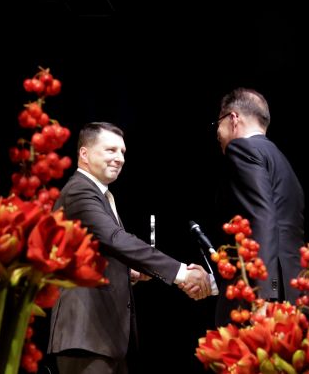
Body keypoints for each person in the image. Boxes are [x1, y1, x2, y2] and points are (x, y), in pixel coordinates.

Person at [47, 122, 212, 374]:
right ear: (84, 154)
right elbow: (115, 239)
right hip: (84, 335)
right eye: (111, 150)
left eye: (122, 152)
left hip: (103, 339)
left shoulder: (100, 195)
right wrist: (181, 273)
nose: (120, 158)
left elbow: (98, 251)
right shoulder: (79, 191)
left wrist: (129, 272)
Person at [212, 87, 305, 326]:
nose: (217, 132)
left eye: (218, 123)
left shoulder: (241, 149)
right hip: (295, 289)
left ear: (233, 118)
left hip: (263, 296)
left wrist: (264, 294)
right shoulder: (281, 160)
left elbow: (261, 218)